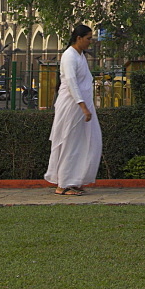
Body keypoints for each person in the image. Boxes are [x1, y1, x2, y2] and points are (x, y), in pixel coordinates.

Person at [45, 24, 102, 196]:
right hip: (72, 106)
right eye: (88, 39)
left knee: (86, 142)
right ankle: (63, 184)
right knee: (69, 142)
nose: (90, 42)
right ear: (79, 38)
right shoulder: (69, 56)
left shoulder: (80, 56)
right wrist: (82, 106)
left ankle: (74, 180)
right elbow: (71, 83)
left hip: (83, 104)